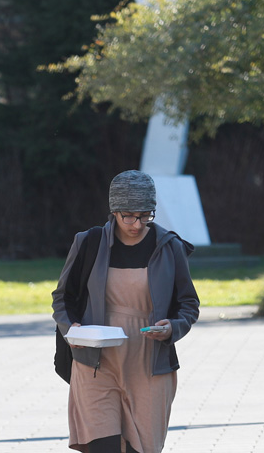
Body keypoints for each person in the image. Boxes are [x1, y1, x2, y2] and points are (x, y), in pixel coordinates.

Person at [52, 170, 199, 453]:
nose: (137, 223)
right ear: (114, 211)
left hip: (149, 363)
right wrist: (72, 328)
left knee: (140, 449)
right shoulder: (89, 242)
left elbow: (189, 304)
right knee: (102, 446)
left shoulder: (170, 247)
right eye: (129, 216)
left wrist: (173, 327)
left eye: (145, 215)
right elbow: (63, 298)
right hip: (96, 362)